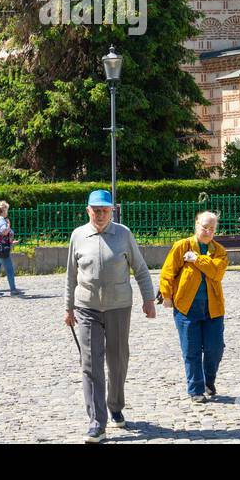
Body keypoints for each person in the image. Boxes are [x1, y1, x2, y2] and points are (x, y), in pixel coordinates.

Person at [64, 189, 156, 443]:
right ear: (88, 211)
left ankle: (115, 405)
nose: (101, 214)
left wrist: (149, 300)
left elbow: (140, 269)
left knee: (117, 361)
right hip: (86, 308)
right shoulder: (78, 236)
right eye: (96, 210)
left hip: (118, 307)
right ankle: (96, 422)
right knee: (91, 364)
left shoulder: (123, 234)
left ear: (112, 211)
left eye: (105, 210)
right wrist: (68, 307)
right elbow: (71, 275)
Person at [158, 211, 227, 403]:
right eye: (204, 227)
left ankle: (208, 381)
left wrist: (197, 260)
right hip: (186, 307)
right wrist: (166, 295)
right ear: (196, 225)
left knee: (215, 349)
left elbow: (216, 272)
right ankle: (195, 389)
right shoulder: (182, 246)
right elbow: (168, 272)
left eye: (212, 228)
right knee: (191, 350)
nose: (207, 231)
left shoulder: (219, 250)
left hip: (213, 308)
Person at [0, 201, 22, 297]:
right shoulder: (2, 219)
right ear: (4, 210)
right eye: (7, 210)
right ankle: (13, 290)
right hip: (1, 249)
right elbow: (3, 231)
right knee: (10, 269)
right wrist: (8, 226)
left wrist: (10, 242)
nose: (7, 212)